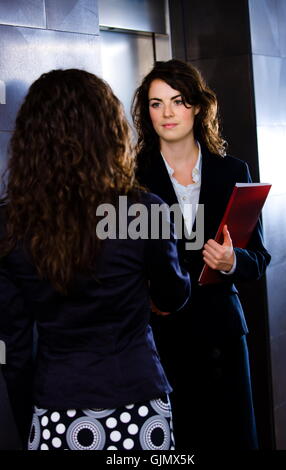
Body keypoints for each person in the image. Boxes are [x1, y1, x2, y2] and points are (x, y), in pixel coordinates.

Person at [0, 69, 191, 451]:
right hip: (138, 404)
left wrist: (33, 423)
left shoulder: (9, 223)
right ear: (109, 132)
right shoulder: (143, 211)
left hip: (56, 407)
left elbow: (15, 349)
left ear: (31, 140)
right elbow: (173, 296)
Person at [132, 59, 271, 449]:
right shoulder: (129, 177)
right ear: (147, 112)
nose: (168, 113)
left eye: (177, 101)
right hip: (161, 342)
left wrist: (233, 261)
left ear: (196, 106)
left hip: (222, 337)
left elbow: (258, 258)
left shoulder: (232, 172)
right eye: (156, 104)